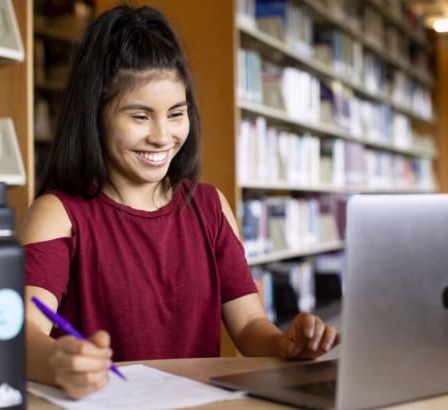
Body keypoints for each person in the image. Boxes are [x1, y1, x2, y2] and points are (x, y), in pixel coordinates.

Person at [21, 4, 339, 400]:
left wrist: (284, 346)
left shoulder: (209, 206)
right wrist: (57, 360)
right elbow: (20, 331)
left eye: (176, 113)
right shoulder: (58, 214)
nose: (162, 136)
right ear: (95, 116)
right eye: (139, 116)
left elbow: (249, 325)